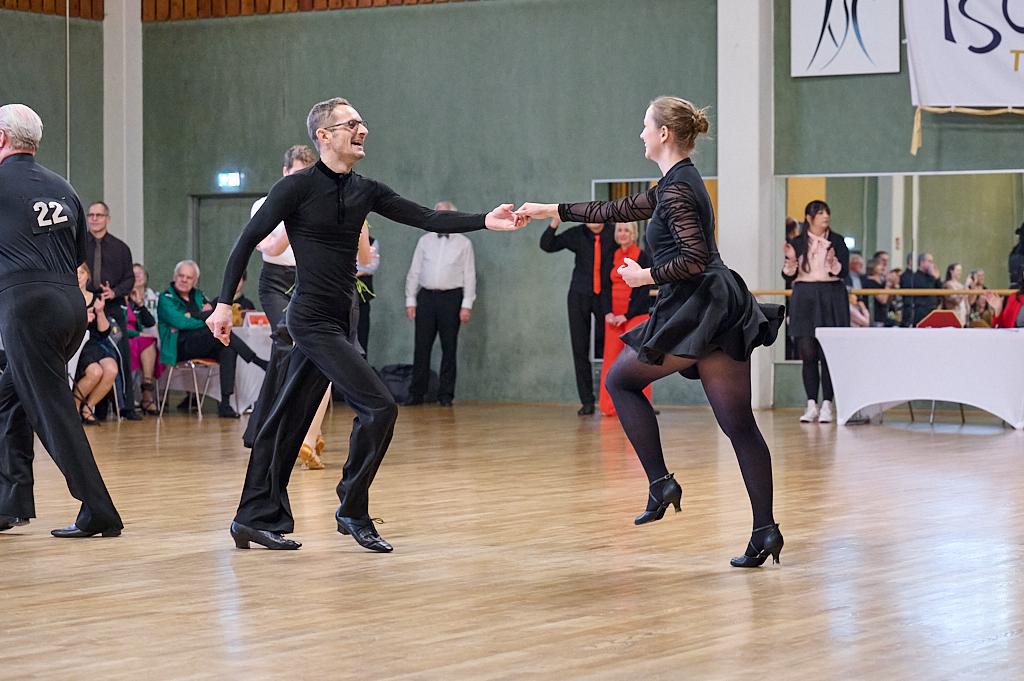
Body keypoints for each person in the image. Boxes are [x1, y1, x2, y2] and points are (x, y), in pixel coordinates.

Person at [206, 96, 522, 553]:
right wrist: (221, 304)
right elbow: (246, 242)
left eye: (363, 122)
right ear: (324, 135)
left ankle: (251, 517)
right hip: (311, 321)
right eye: (351, 123)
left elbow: (427, 217)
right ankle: (351, 509)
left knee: (286, 419)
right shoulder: (295, 189)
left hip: (339, 317)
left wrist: (484, 221)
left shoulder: (365, 191)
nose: (363, 129)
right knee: (380, 407)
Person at [517, 96, 785, 567]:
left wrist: (645, 277)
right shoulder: (674, 184)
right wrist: (552, 209)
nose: (640, 133)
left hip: (700, 305)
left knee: (621, 381)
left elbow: (695, 258)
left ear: (664, 134)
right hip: (714, 306)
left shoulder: (677, 190)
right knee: (738, 425)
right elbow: (616, 209)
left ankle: (662, 483)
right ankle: (764, 531)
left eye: (645, 125)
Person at [0, 103, 122, 537]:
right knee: (7, 399)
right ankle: (9, 502)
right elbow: (78, 260)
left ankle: (100, 511)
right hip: (71, 307)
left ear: (1, 139)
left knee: (53, 412)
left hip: (26, 308)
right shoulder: (63, 188)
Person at [157, 259, 267, 419]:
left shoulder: (199, 295)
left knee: (227, 347)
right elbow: (180, 322)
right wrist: (204, 317)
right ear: (175, 277)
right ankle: (259, 362)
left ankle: (225, 404)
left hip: (202, 343)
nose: (184, 280)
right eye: (181, 276)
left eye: (188, 277)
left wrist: (195, 316)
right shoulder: (165, 298)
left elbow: (212, 316)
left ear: (195, 281)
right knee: (214, 331)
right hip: (179, 346)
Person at [540, 217, 617, 415]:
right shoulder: (577, 233)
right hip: (579, 294)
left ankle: (613, 399)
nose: (594, 220)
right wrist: (554, 222)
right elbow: (547, 245)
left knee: (610, 347)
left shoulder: (614, 232)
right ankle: (587, 401)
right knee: (580, 348)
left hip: (606, 297)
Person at [782, 200, 849, 424]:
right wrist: (790, 263)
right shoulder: (797, 242)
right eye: (819, 213)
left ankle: (828, 404)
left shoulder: (837, 241)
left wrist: (833, 263)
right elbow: (788, 275)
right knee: (807, 351)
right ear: (809, 218)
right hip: (805, 296)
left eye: (826, 212)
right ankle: (811, 403)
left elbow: (844, 272)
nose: (825, 216)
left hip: (831, 295)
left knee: (828, 353)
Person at [404, 200, 477, 407]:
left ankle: (446, 395)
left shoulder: (464, 243)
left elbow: (469, 275)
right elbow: (415, 271)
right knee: (421, 346)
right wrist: (410, 299)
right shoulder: (424, 241)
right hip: (426, 297)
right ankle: (417, 393)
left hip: (451, 298)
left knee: (449, 347)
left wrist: (467, 305)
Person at [83, 200, 141, 420]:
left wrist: (114, 292)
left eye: (99, 215)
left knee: (120, 353)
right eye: (91, 215)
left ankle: (125, 406)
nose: (95, 219)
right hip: (85, 303)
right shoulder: (78, 246)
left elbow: (129, 279)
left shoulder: (120, 248)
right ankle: (89, 403)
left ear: (108, 218)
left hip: (113, 306)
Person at [598, 221, 655, 417]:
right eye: (620, 230)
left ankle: (642, 406)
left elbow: (643, 291)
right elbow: (604, 288)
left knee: (638, 362)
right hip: (613, 318)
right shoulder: (610, 256)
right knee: (610, 362)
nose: (623, 234)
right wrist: (608, 313)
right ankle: (609, 408)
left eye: (627, 230)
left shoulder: (643, 256)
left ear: (634, 234)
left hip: (635, 316)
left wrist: (626, 315)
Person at [73, 263, 120, 425]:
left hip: (94, 343)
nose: (78, 276)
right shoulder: (67, 297)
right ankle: (75, 406)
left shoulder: (96, 298)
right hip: (75, 343)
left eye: (82, 272)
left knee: (111, 369)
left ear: (88, 276)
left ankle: (88, 407)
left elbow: (104, 332)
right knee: (95, 372)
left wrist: (100, 312)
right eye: (75, 272)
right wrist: (83, 320)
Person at [355, 224, 379, 357]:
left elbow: (369, 267)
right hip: (339, 297)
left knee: (361, 336)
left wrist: (348, 271)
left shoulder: (372, 242)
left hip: (362, 298)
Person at [900, 253, 941, 327]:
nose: (932, 264)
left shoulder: (930, 276)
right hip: (919, 313)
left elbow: (940, 291)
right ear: (922, 262)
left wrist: (937, 278)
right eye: (929, 261)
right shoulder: (914, 276)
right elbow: (927, 289)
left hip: (932, 311)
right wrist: (933, 278)